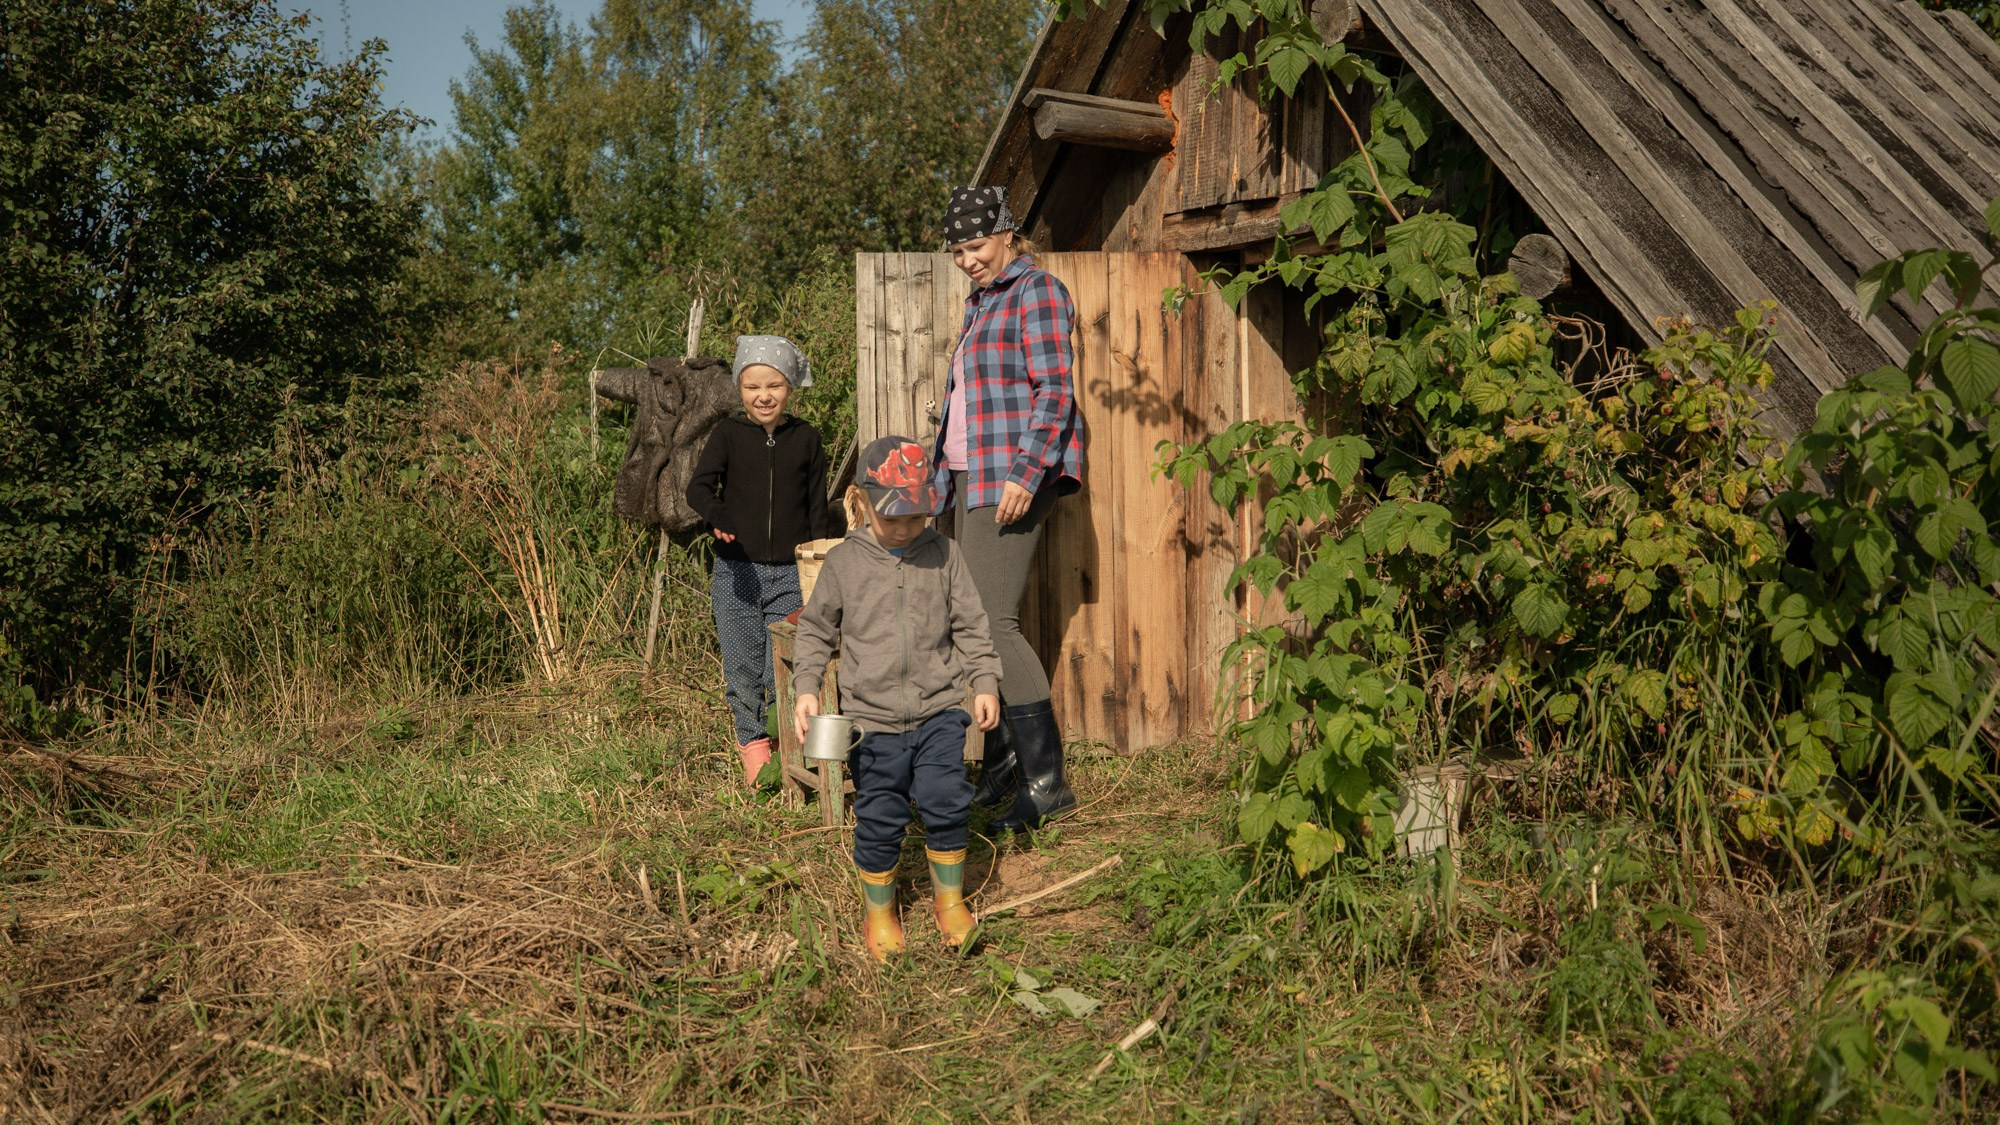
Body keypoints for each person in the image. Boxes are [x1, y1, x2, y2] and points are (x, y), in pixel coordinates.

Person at [791, 436, 1002, 961]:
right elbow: (815, 632)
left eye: (916, 519)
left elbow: (972, 626)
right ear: (861, 503)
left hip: (938, 710)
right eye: (893, 521)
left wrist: (984, 683)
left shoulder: (945, 555)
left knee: (946, 799)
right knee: (881, 814)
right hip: (872, 721)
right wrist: (806, 688)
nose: (906, 531)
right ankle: (880, 913)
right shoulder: (843, 564)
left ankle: (949, 902)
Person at [933, 185, 1084, 832]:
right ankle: (998, 769)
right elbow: (966, 407)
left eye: (974, 245)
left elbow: (1055, 391)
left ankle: (1047, 783)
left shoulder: (1036, 292)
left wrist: (1029, 471)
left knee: (993, 621)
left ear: (1006, 235)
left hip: (1011, 475)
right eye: (957, 250)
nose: (966, 259)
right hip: (973, 475)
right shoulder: (980, 305)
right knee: (971, 621)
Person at [686, 335, 840, 788]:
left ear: (789, 385)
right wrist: (717, 516)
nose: (763, 395)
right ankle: (754, 748)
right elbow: (698, 489)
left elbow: (816, 508)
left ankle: (790, 753)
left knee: (786, 667)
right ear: (740, 389)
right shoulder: (728, 435)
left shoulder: (806, 438)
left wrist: (820, 564)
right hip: (738, 570)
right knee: (742, 665)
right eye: (752, 386)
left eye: (773, 384)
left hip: (792, 573)